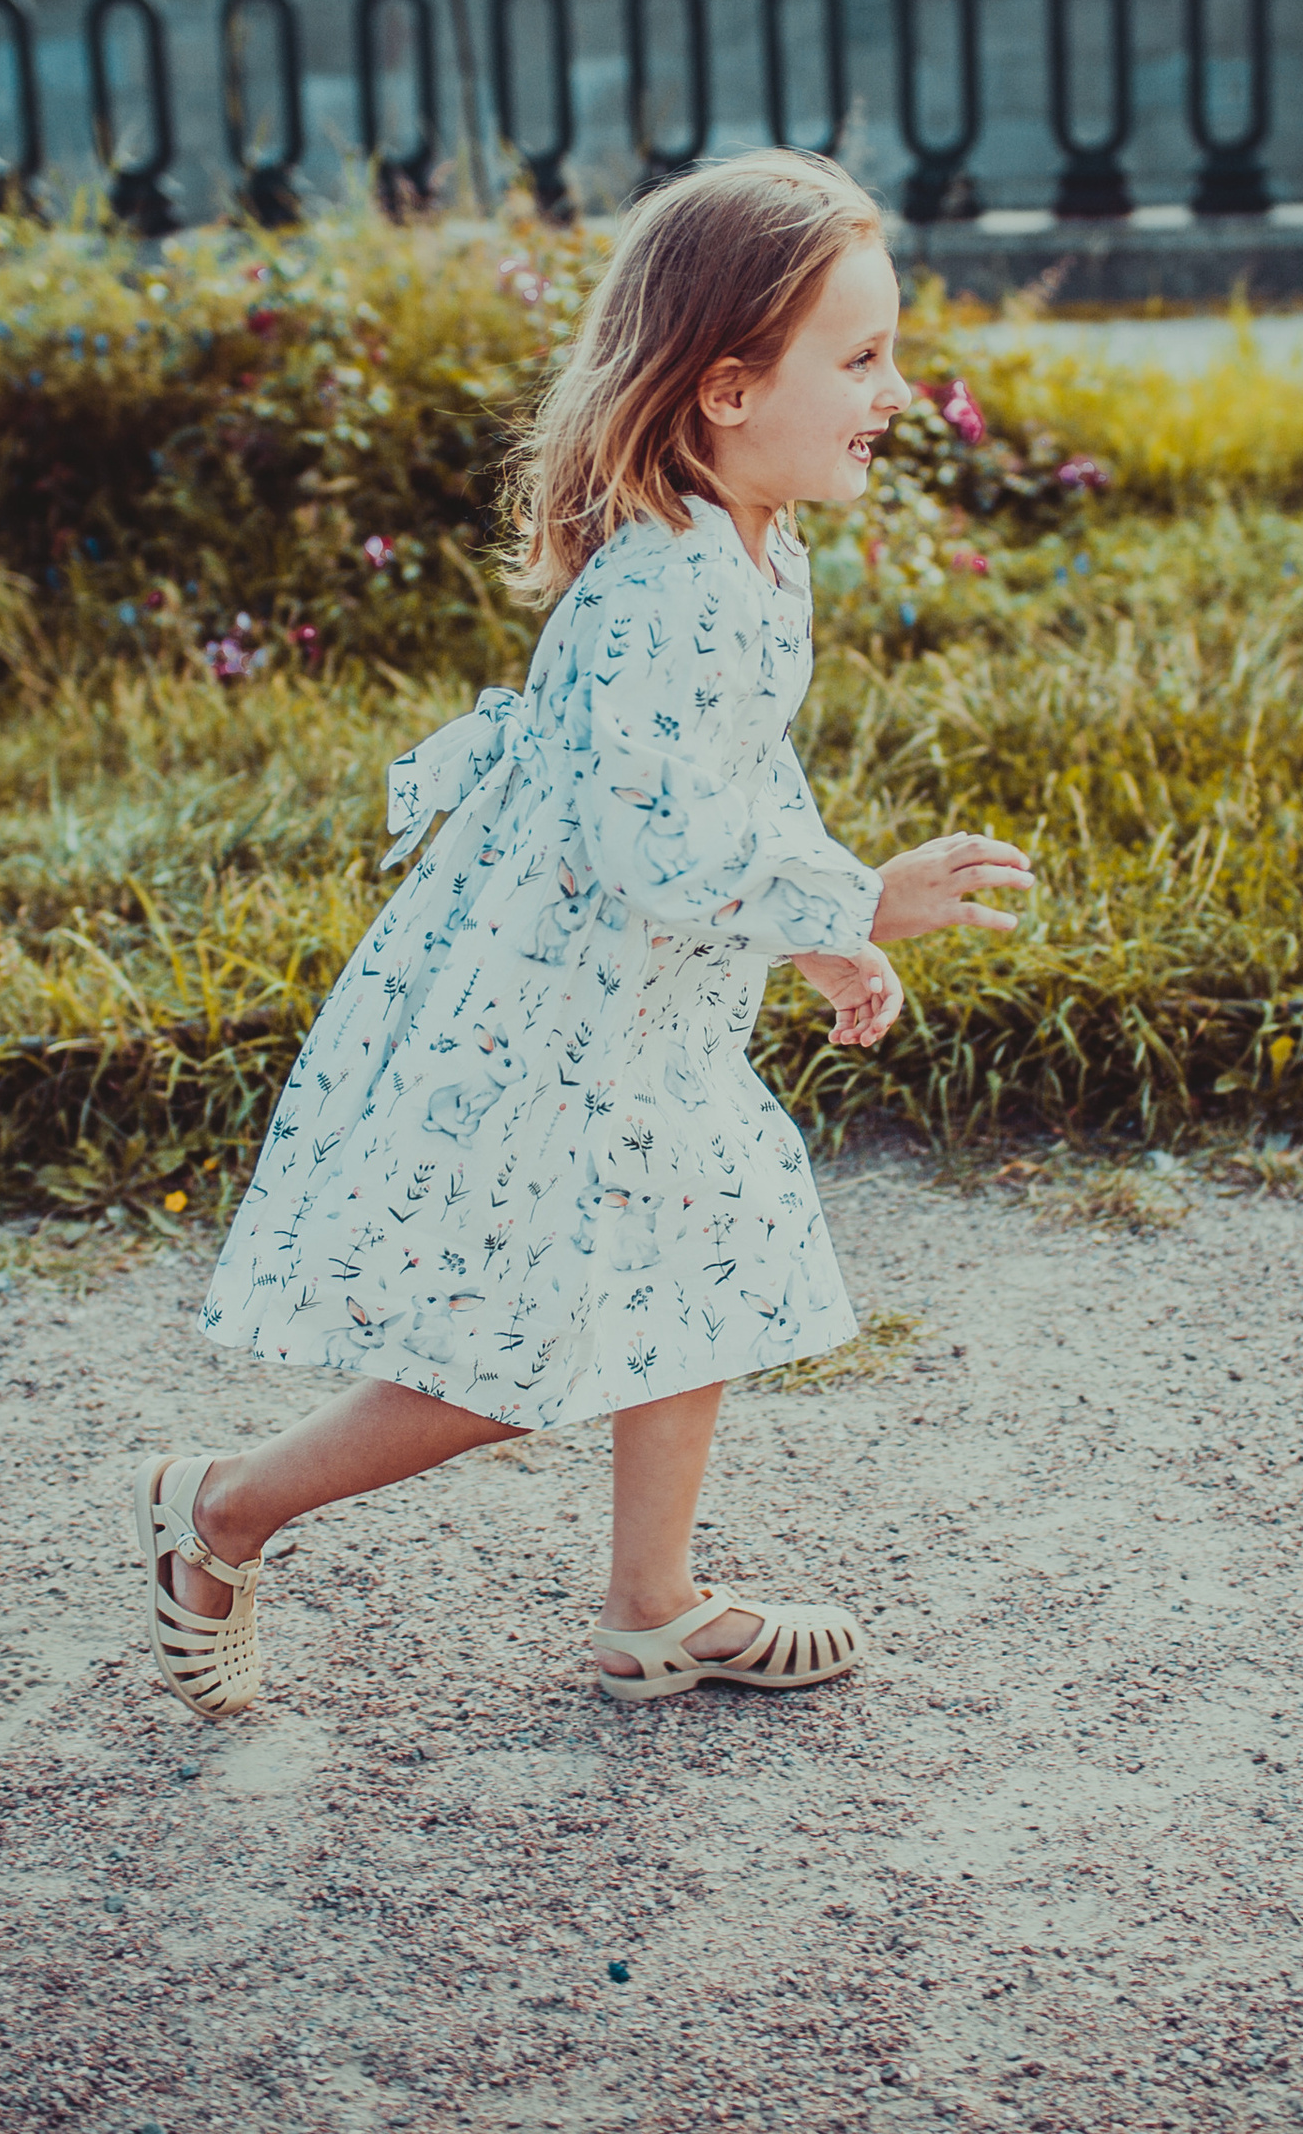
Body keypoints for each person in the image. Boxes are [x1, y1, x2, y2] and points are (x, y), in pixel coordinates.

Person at [131, 149, 1034, 1715]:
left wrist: (815, 927)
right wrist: (858, 896)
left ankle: (653, 1606)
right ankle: (219, 1508)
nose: (895, 388)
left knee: (706, 1262)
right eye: (865, 356)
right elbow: (651, 842)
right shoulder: (657, 588)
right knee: (515, 1351)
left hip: (652, 1021)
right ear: (731, 386)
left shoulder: (760, 549)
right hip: (552, 1032)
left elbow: (741, 777)